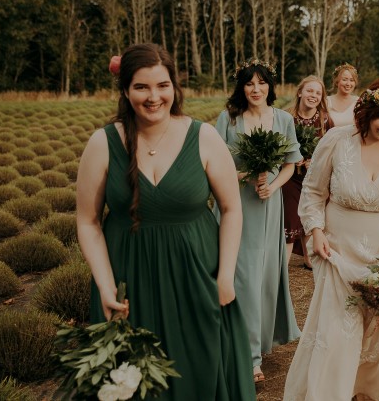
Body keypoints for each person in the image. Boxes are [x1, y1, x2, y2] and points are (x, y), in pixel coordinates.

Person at [77, 43, 256, 400]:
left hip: (197, 276)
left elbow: (232, 208)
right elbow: (88, 221)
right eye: (141, 87)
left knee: (200, 371)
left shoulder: (203, 137)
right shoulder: (104, 143)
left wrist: (224, 276)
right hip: (128, 284)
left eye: (162, 85)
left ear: (174, 86)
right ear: (126, 90)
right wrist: (106, 287)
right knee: (133, 379)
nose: (153, 96)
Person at [283, 78, 379, 401]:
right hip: (338, 251)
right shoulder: (337, 141)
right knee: (338, 333)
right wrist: (316, 231)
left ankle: (368, 392)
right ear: (368, 112)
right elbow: (313, 191)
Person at [214, 59, 302, 388]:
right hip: (234, 203)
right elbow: (214, 164)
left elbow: (291, 166)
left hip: (268, 206)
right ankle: (247, 356)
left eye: (261, 83)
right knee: (241, 276)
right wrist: (246, 176)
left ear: (270, 86)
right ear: (241, 87)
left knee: (261, 277)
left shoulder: (283, 119)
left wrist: (271, 185)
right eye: (249, 83)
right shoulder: (228, 119)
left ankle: (257, 342)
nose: (255, 89)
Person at [283, 75, 334, 270]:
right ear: (300, 92)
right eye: (310, 91)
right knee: (291, 215)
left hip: (315, 178)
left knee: (311, 213)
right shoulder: (287, 117)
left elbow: (331, 149)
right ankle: (283, 263)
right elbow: (278, 146)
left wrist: (316, 161)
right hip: (290, 176)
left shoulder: (326, 120)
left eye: (318, 93)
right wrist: (290, 157)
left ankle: (308, 257)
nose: (313, 95)